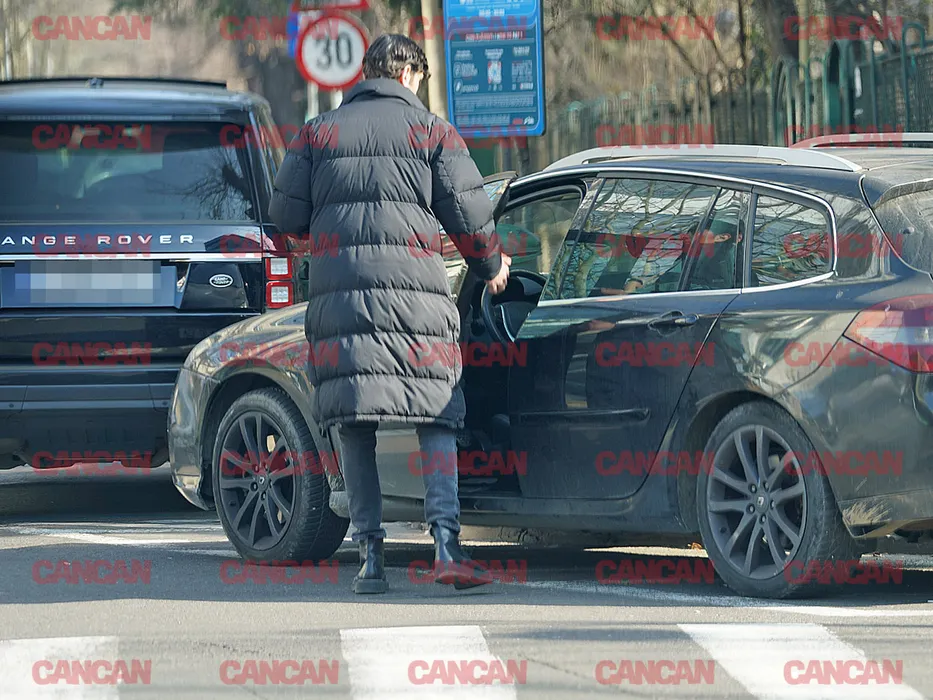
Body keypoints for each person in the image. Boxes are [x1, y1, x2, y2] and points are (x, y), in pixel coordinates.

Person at [269, 34, 511, 594]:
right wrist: (491, 265)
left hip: (341, 304)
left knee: (354, 422)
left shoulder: (318, 133)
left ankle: (370, 559)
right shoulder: (431, 131)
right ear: (406, 74)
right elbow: (469, 215)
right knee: (436, 414)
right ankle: (447, 547)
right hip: (417, 304)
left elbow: (285, 217)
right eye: (420, 81)